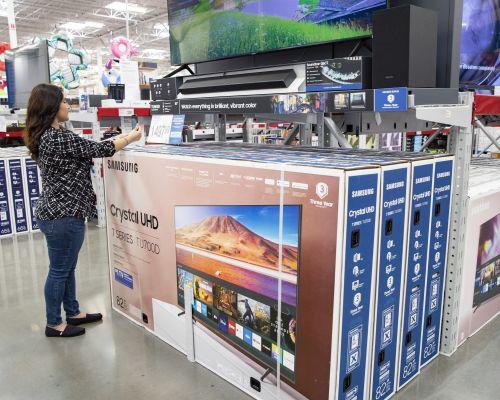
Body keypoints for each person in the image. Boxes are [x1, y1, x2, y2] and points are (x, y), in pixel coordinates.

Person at [23, 83, 142, 338]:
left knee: (66, 267)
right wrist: (131, 137)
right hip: (63, 216)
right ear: (52, 107)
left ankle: (73, 312)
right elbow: (100, 150)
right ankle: (54, 324)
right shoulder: (57, 138)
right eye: (64, 101)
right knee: (59, 270)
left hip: (58, 213)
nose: (68, 105)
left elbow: (88, 147)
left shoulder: (52, 135)